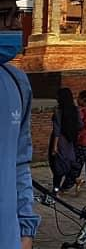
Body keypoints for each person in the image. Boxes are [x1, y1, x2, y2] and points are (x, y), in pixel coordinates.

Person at [2, 38, 40, 247]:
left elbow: (19, 162)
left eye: (16, 14)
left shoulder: (16, 82)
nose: (14, 23)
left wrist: (26, 230)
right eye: (3, 15)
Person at [50, 88, 82, 197]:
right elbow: (80, 125)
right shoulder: (75, 110)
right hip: (71, 140)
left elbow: (57, 130)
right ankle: (76, 179)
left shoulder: (58, 111)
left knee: (57, 167)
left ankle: (56, 190)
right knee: (70, 163)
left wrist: (54, 146)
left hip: (60, 141)